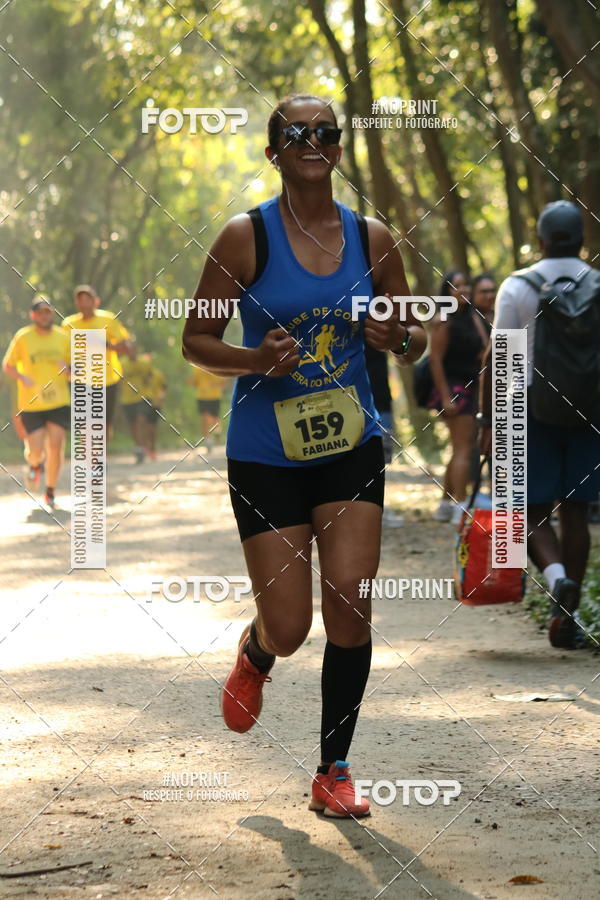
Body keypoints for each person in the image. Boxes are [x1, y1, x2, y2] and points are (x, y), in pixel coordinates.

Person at [182, 93, 426, 818]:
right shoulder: (243, 237)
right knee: (290, 629)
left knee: (350, 599)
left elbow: (413, 337)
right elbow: (195, 340)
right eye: (296, 133)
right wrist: (255, 359)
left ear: (340, 149)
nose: (312, 141)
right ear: (274, 152)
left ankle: (333, 769)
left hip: (350, 444)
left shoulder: (374, 239)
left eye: (325, 132)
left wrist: (398, 340)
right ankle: (257, 651)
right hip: (266, 453)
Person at [480, 200, 600, 649]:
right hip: (590, 411)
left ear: (541, 239)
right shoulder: (597, 283)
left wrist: (490, 423)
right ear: (582, 240)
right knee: (576, 511)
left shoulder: (517, 286)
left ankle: (556, 578)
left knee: (525, 510)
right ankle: (567, 615)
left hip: (528, 408)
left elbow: (501, 359)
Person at [428, 271, 489, 524]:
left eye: (466, 285)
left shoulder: (473, 317)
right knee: (464, 448)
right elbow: (435, 360)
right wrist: (445, 397)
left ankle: (445, 504)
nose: (462, 289)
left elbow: (486, 349)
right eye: (456, 286)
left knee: (460, 448)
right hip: (453, 389)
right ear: (447, 292)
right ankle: (461, 507)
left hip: (473, 387)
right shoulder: (444, 319)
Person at [2, 297, 70, 508]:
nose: (44, 316)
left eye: (48, 312)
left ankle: (50, 490)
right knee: (36, 451)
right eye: (40, 312)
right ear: (33, 315)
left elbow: (78, 369)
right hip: (31, 403)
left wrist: (68, 370)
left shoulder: (63, 337)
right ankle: (34, 464)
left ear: (52, 314)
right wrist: (22, 378)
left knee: (56, 446)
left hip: (58, 401)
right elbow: (8, 365)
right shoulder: (23, 337)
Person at [63, 285, 133, 439]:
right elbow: (63, 351)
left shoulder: (108, 319)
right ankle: (90, 452)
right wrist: (68, 367)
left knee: (103, 424)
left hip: (107, 379)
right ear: (76, 303)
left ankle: (101, 451)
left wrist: (107, 344)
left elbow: (127, 347)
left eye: (87, 300)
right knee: (85, 422)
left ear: (96, 301)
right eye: (80, 300)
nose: (84, 304)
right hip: (80, 380)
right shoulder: (68, 324)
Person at [365, 342, 404, 526]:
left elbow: (405, 348)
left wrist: (402, 340)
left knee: (379, 458)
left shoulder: (377, 327)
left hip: (380, 399)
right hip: (349, 402)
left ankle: (378, 505)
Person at [120, 348, 155, 463]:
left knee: (141, 420)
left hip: (142, 396)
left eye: (133, 349)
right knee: (133, 425)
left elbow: (149, 376)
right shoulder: (122, 363)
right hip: (127, 399)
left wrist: (147, 382)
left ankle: (143, 445)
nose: (131, 352)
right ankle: (138, 447)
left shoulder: (144, 362)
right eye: (129, 350)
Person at [189, 367, 228, 452]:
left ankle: (217, 432)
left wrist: (216, 386)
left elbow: (224, 382)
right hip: (202, 397)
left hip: (215, 397)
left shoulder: (216, 367)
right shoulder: (197, 368)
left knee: (214, 419)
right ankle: (208, 440)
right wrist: (191, 381)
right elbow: (195, 382)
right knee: (204, 418)